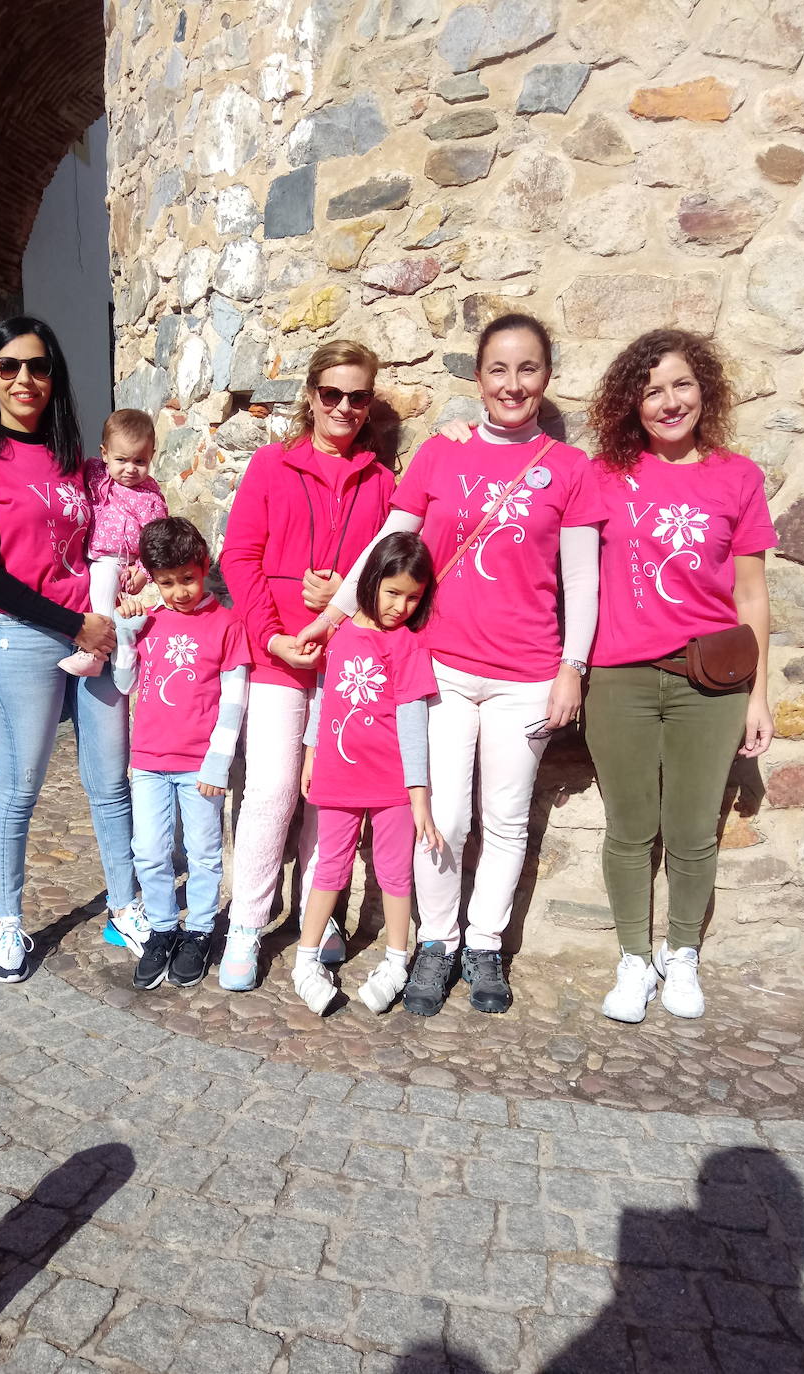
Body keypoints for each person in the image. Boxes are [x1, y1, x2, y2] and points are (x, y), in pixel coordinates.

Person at [299, 313, 605, 1016]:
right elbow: (386, 546)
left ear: (546, 378)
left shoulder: (568, 469)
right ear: (478, 377)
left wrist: (573, 667)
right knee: (443, 817)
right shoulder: (441, 454)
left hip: (525, 674)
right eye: (498, 369)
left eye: (527, 369)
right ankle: (436, 942)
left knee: (503, 819)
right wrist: (327, 621)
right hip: (437, 668)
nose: (512, 384)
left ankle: (484, 944)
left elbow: (582, 580)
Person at [0, 315, 140, 982]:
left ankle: (125, 906)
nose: (25, 379)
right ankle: (7, 922)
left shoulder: (71, 460)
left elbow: (104, 539)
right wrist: (69, 620)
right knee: (19, 787)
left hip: (95, 629)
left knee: (110, 782)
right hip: (24, 637)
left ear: (53, 379)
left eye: (38, 366)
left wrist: (128, 575)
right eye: (9, 367)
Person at [585, 329, 775, 1023]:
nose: (668, 402)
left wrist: (758, 695)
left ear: (705, 390)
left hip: (711, 684)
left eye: (681, 385)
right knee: (629, 828)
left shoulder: (737, 476)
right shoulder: (603, 474)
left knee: (693, 830)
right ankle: (634, 958)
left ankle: (682, 953)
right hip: (619, 680)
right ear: (630, 403)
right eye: (651, 388)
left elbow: (750, 596)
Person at [218, 339, 396, 990]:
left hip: (348, 665)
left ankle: (317, 922)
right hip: (276, 656)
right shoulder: (271, 466)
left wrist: (342, 602)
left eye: (357, 396)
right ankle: (246, 923)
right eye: (331, 394)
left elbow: (392, 575)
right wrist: (272, 637)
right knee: (268, 790)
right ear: (311, 396)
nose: (343, 407)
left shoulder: (382, 482)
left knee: (332, 800)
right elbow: (240, 557)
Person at [294, 533, 442, 1015]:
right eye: (393, 591)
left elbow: (414, 723)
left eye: (413, 596)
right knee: (329, 865)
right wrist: (312, 751)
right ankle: (306, 959)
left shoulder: (408, 645)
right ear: (372, 581)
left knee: (395, 871)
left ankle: (397, 959)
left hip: (393, 783)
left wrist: (418, 794)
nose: (401, 605)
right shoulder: (338, 635)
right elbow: (324, 694)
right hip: (338, 774)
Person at [114, 518, 252, 990]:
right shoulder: (149, 620)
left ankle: (198, 931)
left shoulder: (227, 624)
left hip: (200, 766)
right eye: (166, 583)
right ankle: (163, 928)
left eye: (187, 579)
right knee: (149, 851)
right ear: (153, 579)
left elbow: (235, 699)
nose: (178, 592)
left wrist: (219, 759)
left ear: (204, 567)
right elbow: (125, 684)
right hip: (150, 760)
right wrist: (128, 637)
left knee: (203, 851)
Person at [57, 408, 167, 679]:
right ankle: (112, 652)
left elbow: (156, 539)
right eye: (121, 459)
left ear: (151, 456)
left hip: (125, 564)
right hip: (95, 558)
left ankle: (101, 651)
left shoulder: (150, 498)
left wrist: (143, 572)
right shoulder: (95, 473)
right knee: (101, 587)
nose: (130, 469)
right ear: (104, 454)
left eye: (140, 461)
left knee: (112, 593)